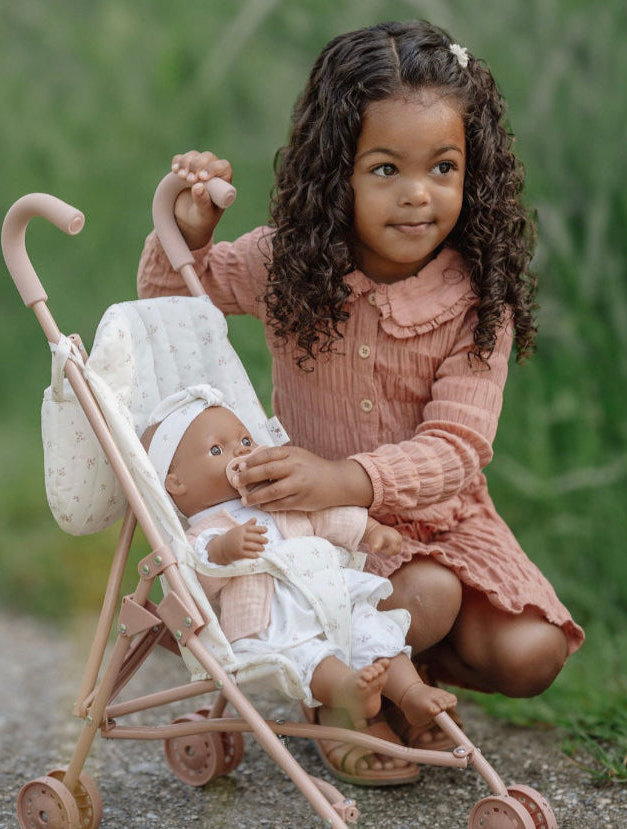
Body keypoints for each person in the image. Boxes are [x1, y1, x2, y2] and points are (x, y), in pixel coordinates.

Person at [137, 19, 584, 785]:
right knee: (428, 593)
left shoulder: (479, 299)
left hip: (438, 519)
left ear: (471, 174)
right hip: (311, 528)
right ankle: (340, 700)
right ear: (335, 170)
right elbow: (173, 307)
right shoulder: (293, 262)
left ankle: (391, 666)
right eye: (385, 169)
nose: (418, 195)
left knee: (531, 649)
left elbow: (456, 449)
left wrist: (343, 478)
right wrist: (190, 231)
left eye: (444, 166)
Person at [142, 384, 457, 784]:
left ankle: (411, 694)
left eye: (244, 440)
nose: (240, 452)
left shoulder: (276, 498)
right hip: (275, 621)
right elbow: (191, 575)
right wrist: (224, 550)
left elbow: (325, 517)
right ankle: (345, 691)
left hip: (332, 599)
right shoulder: (203, 531)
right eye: (217, 451)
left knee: (373, 631)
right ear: (176, 484)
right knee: (308, 655)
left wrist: (370, 529)